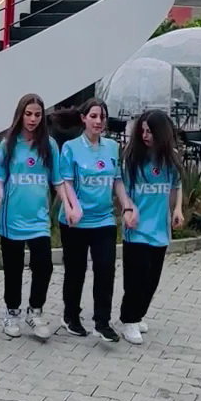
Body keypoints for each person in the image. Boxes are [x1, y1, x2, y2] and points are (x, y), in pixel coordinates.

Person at [0, 93, 70, 341]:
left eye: (38, 114)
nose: (33, 119)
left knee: (44, 266)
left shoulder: (49, 145)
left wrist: (69, 205)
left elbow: (57, 180)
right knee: (13, 269)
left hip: (39, 218)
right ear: (20, 114)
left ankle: (35, 311)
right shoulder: (8, 144)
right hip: (12, 217)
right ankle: (12, 312)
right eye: (28, 114)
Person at [117, 110, 184, 344]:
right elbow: (121, 188)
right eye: (142, 131)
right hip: (136, 230)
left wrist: (177, 209)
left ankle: (138, 314)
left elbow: (176, 185)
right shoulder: (132, 157)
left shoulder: (171, 158)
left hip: (160, 230)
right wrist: (128, 209)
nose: (145, 136)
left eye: (150, 131)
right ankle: (129, 319)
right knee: (137, 277)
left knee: (152, 280)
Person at [58, 98, 122, 340]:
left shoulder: (112, 147)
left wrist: (127, 206)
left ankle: (102, 322)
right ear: (83, 118)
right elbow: (66, 181)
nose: (98, 121)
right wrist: (74, 207)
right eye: (93, 116)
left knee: (106, 268)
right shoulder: (71, 148)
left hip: (104, 219)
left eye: (102, 117)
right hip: (75, 220)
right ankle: (71, 316)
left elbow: (117, 180)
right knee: (76, 270)